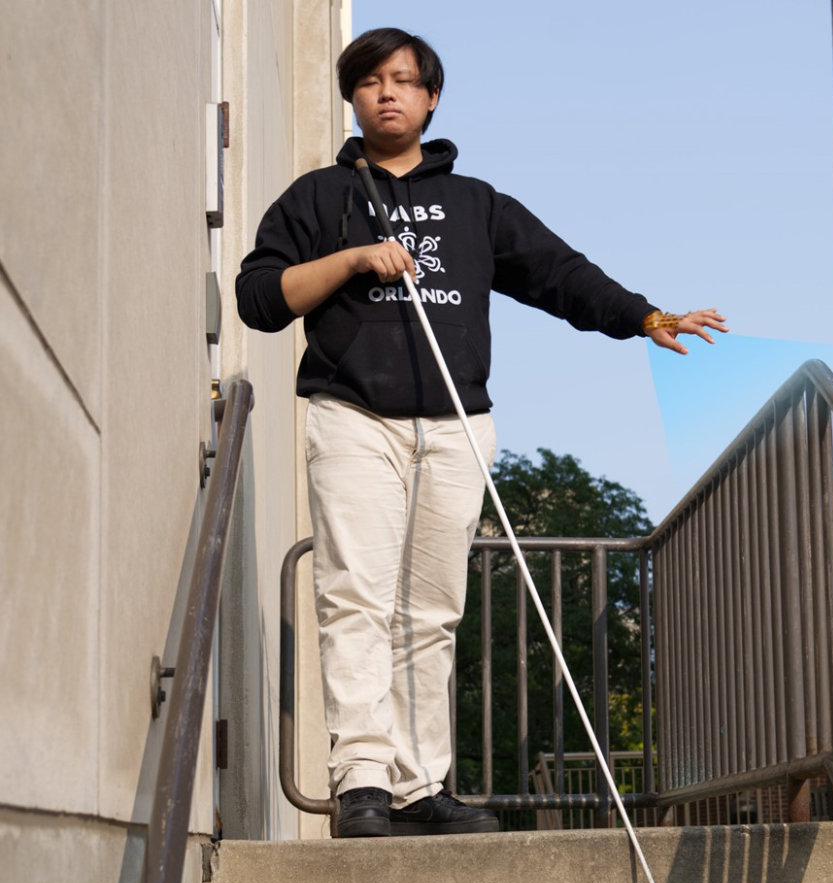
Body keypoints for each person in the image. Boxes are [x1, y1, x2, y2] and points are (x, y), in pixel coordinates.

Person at [236, 27, 727, 838]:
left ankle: (420, 783)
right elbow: (262, 296)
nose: (387, 93)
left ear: (431, 99)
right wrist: (356, 260)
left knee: (430, 609)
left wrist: (644, 315)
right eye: (370, 82)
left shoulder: (476, 204)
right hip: (354, 416)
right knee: (356, 594)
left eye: (404, 80)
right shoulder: (317, 198)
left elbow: (561, 274)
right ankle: (361, 778)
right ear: (352, 99)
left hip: (458, 425)